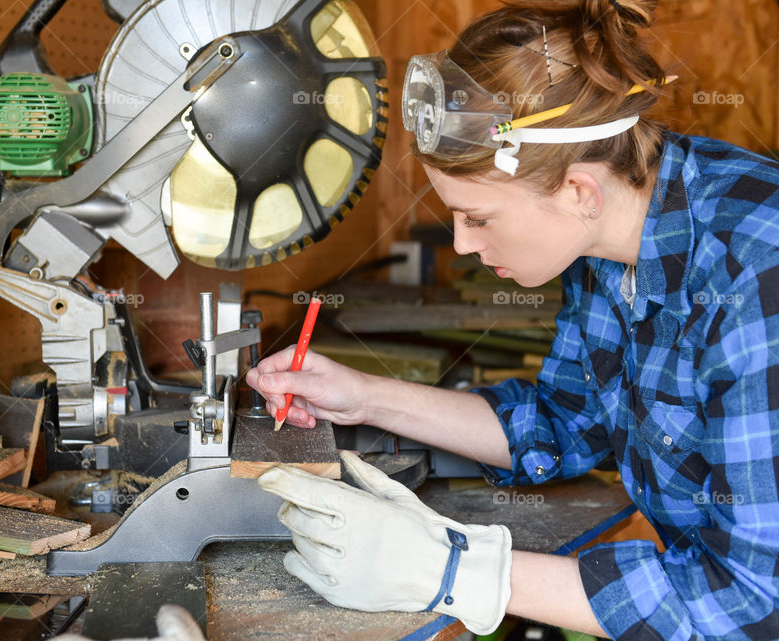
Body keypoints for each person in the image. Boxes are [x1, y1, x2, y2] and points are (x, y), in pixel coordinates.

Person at [247, 0, 779, 638]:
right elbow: (561, 422)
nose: (463, 245)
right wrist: (364, 397)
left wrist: (450, 572)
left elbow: (750, 600)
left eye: (478, 217)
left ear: (579, 191)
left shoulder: (755, 271)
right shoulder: (608, 242)